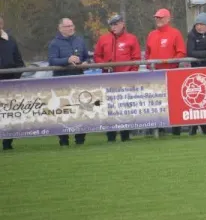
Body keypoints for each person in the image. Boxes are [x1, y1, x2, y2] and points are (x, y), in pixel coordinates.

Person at [94, 14, 141, 142]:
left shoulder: (131, 38)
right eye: (111, 25)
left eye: (115, 24)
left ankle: (126, 135)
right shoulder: (103, 39)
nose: (113, 27)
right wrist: (104, 64)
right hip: (108, 79)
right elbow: (97, 56)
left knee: (125, 107)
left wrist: (131, 73)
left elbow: (136, 59)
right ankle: (111, 136)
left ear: (122, 24)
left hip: (126, 79)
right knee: (110, 108)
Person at [48, 18, 89, 146]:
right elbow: (52, 61)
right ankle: (64, 140)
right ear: (60, 28)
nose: (71, 28)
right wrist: (67, 59)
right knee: (63, 112)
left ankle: (80, 140)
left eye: (72, 25)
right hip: (62, 82)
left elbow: (86, 57)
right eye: (67, 26)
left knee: (81, 110)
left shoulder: (80, 40)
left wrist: (86, 63)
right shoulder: (54, 43)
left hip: (79, 80)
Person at [146, 8, 186, 136]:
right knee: (158, 103)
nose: (158, 20)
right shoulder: (151, 34)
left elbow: (181, 52)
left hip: (171, 73)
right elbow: (148, 53)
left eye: (161, 17)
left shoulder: (175, 33)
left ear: (168, 19)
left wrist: (172, 63)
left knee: (174, 103)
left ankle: (176, 130)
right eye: (157, 18)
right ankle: (160, 130)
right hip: (155, 74)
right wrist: (149, 65)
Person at [0, 16, 25, 151]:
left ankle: (7, 143)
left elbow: (20, 63)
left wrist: (13, 80)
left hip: (9, 84)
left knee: (8, 115)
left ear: (2, 24)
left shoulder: (11, 40)